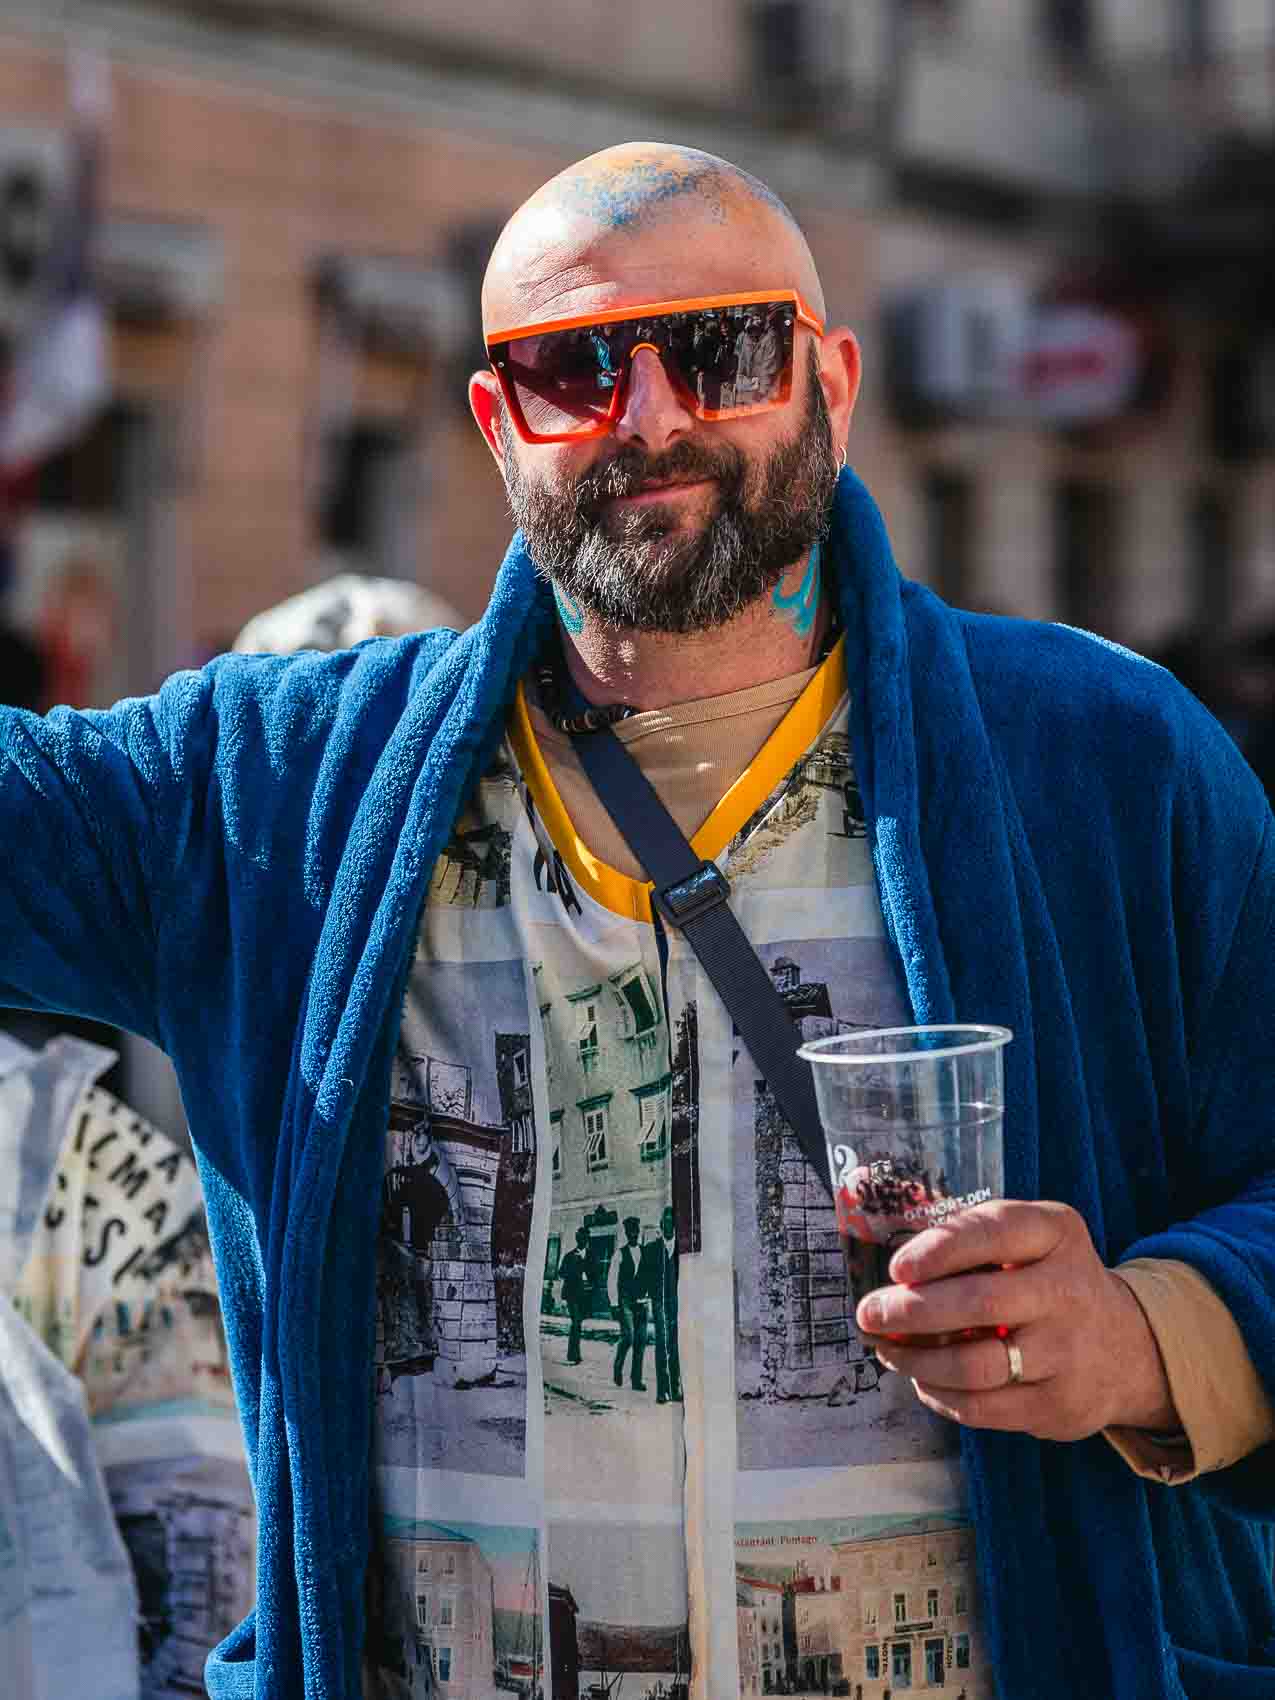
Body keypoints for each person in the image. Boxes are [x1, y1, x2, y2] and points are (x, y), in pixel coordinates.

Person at [0, 142, 1271, 1700]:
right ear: (496, 424)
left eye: (719, 349)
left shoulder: (1098, 761)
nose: (648, 415)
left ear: (828, 380)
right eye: (573, 367)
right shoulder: (276, 791)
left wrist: (1147, 1337)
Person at [641, 1203, 681, 1404]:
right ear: (660, 1224)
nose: (668, 1226)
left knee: (676, 1344)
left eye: (671, 1222)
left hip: (678, 1302)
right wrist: (641, 1295)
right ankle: (662, 1390)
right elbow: (643, 1276)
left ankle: (675, 1388)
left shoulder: (683, 1250)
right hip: (659, 1301)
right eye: (665, 1222)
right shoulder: (651, 1249)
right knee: (662, 1342)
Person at [608, 1215, 648, 1392]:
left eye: (636, 1231)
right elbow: (612, 1279)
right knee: (629, 1336)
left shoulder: (645, 1252)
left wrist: (649, 1294)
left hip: (642, 1301)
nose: (633, 1234)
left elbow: (651, 1275)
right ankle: (618, 1367)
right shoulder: (619, 1253)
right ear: (626, 1233)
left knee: (641, 1341)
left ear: (638, 1232)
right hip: (625, 1301)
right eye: (630, 1231)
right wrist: (614, 1304)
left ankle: (636, 1380)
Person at [558, 1223, 592, 1365]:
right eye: (580, 1238)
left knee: (578, 1323)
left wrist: (592, 1284)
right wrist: (574, 1267)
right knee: (576, 1322)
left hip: (585, 1294)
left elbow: (597, 1273)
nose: (583, 1241)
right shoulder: (569, 1256)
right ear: (577, 1239)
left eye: (585, 1238)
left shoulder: (591, 1256)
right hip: (572, 1294)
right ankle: (573, 1355)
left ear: (587, 1240)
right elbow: (561, 1273)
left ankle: (574, 1353)